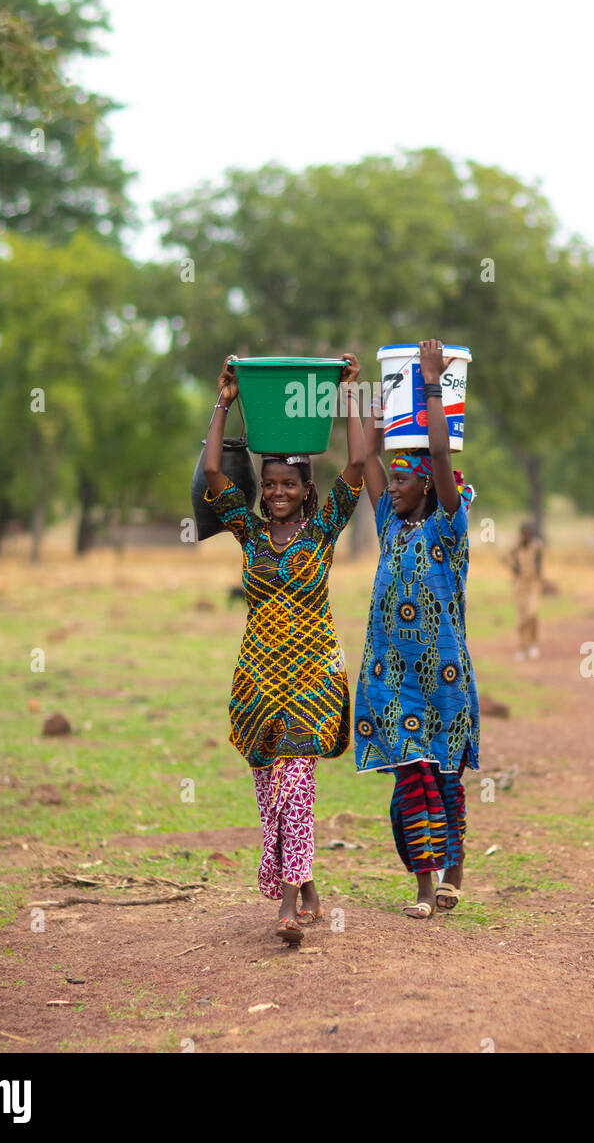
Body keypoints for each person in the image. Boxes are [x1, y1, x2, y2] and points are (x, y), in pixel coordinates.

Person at [202, 351, 365, 944]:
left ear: (305, 489)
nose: (275, 493)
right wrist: (225, 399)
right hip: (257, 681)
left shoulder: (323, 531)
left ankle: (288, 907)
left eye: (287, 485)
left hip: (314, 678)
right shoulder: (245, 532)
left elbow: (359, 462)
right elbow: (216, 478)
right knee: (272, 788)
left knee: (297, 783)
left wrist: (349, 393)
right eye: (268, 485)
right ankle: (309, 884)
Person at [355, 338, 479, 920]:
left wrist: (431, 385)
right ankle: (425, 889)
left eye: (407, 480)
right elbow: (367, 464)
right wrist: (359, 404)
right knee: (413, 779)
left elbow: (437, 455)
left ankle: (453, 874)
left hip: (444, 680)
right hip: (392, 679)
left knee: (446, 779)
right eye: (396, 481)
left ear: (429, 485)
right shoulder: (389, 527)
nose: (395, 486)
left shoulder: (448, 529)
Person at [508, 522, 543, 661]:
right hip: (520, 586)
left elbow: (540, 563)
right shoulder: (515, 548)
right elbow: (506, 559)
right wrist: (513, 567)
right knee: (522, 618)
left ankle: (533, 643)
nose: (528, 536)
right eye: (525, 534)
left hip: (533, 585)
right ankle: (522, 647)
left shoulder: (537, 547)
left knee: (532, 614)